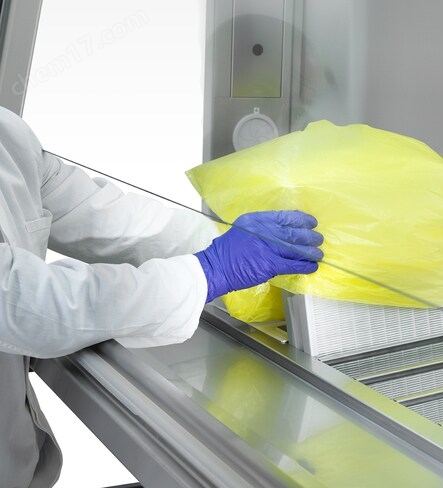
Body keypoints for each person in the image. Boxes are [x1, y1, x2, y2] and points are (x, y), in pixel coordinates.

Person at [0, 105, 324, 488]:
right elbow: (25, 303)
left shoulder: (8, 135)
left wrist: (221, 240)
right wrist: (210, 269)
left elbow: (106, 217)